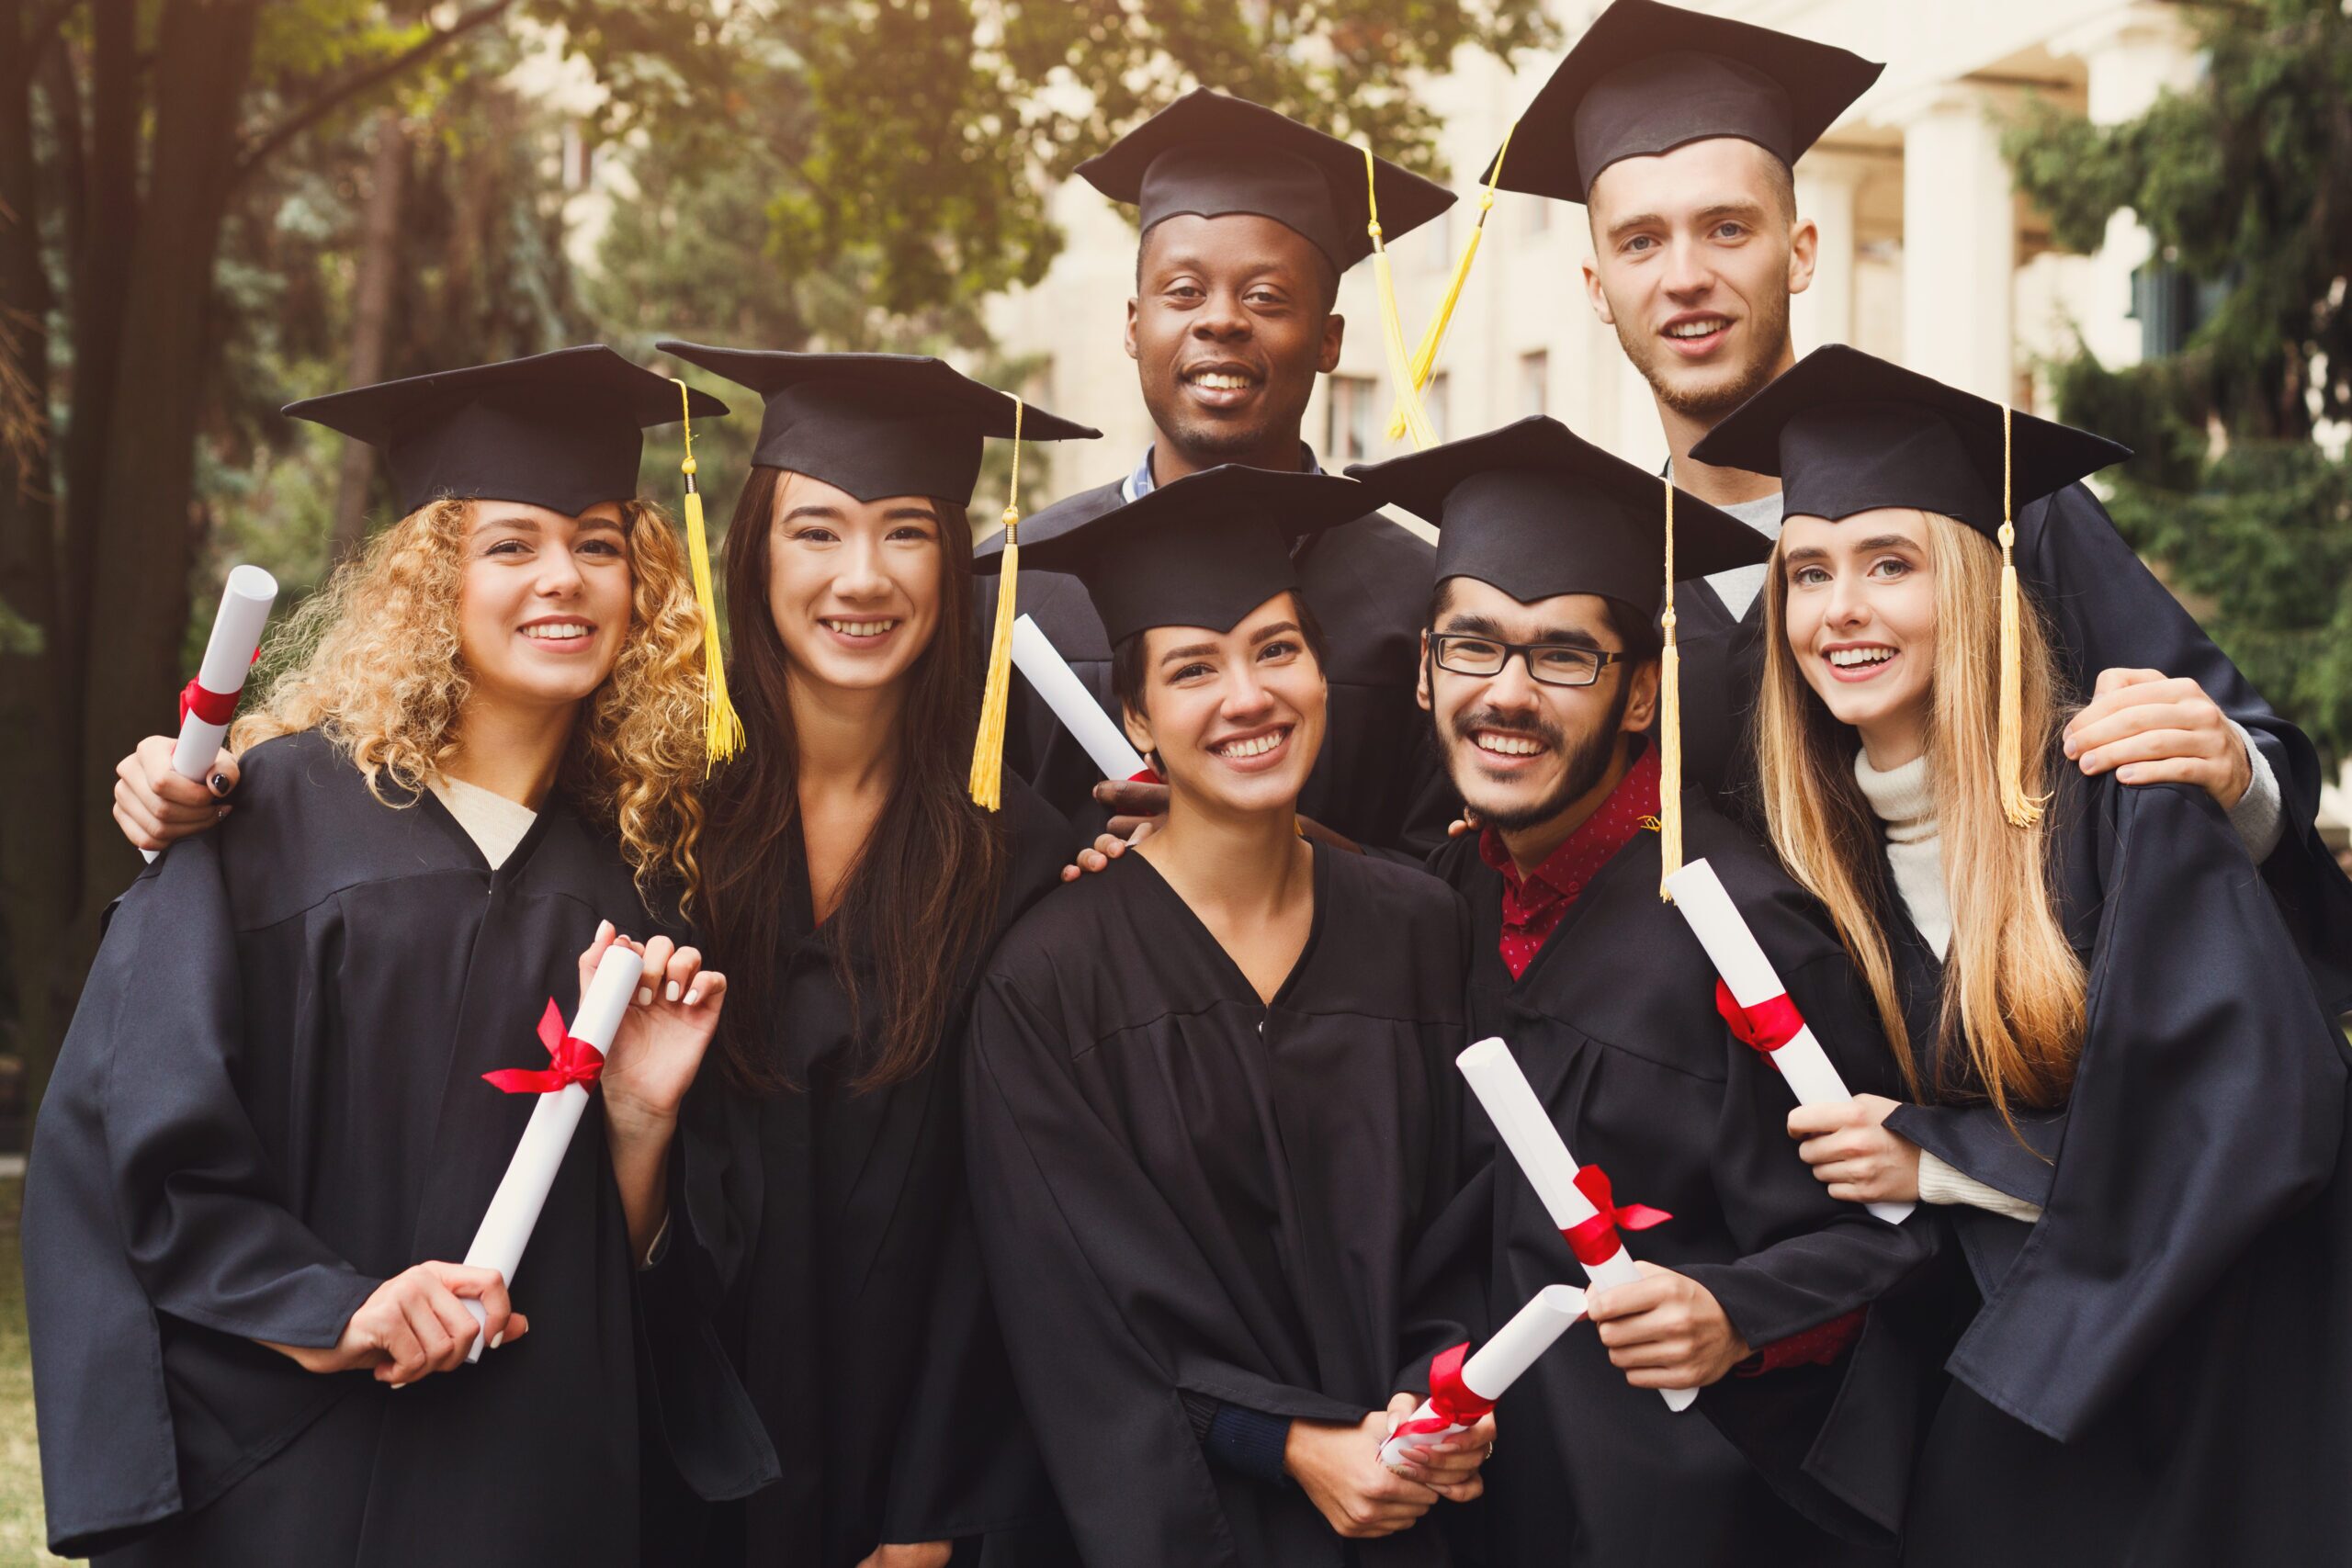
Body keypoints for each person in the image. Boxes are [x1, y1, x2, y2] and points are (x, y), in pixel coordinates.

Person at [27, 346, 775, 1565]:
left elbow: (637, 1276)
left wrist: (640, 1124)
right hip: (297, 1470)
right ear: (432, 580)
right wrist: (337, 1306)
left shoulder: (642, 884)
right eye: (512, 544)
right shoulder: (262, 816)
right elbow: (128, 1135)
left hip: (534, 1483)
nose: (565, 579)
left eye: (599, 544)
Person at [1487, 0, 2352, 1004]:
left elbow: (2243, 771)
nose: (1685, 277)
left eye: (1727, 228)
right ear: (1595, 284)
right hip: (1768, 1132)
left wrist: (2228, 773)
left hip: (2064, 1102)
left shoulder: (1992, 503)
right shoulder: (1614, 599)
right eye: (1640, 243)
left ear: (1801, 249)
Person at [1702, 344, 2350, 1563]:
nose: (1840, 607)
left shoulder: (2121, 800)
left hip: (2207, 1393)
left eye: (1891, 563)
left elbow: (2255, 1111)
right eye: (1808, 572)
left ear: (1974, 582)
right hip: (2010, 1376)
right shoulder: (1817, 864)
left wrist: (1936, 1156)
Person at [1351, 416, 1932, 1566]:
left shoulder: (1745, 934)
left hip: (1683, 1523)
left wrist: (1736, 1319)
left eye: (1564, 655)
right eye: (1472, 647)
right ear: (1424, 671)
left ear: (1637, 695)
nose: (1507, 694)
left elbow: (1897, 1242)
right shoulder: (1432, 906)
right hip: (1458, 1511)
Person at [964, 463, 1493, 1568]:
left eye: (1276, 650)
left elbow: (1475, 1223)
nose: (1248, 696)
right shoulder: (1049, 979)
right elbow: (1076, 1315)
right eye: (1194, 668)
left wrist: (1431, 1406)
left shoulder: (1422, 932)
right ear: (1134, 717)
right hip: (1193, 1518)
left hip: (1419, 1503)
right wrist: (1295, 1445)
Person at [643, 344, 1097, 1568]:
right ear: (753, 551)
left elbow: (1009, 1228)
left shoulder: (1023, 859)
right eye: (818, 531)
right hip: (662, 1453)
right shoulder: (659, 818)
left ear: (956, 567)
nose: (862, 575)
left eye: (905, 531)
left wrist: (935, 1506)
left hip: (912, 1480)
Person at [980, 88, 1459, 860]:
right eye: (1183, 292)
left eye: (1267, 296)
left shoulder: (1421, 599)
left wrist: (1260, 843)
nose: (1222, 319)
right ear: (1135, 326)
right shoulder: (1015, 585)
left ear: (1330, 340)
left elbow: (1455, 887)